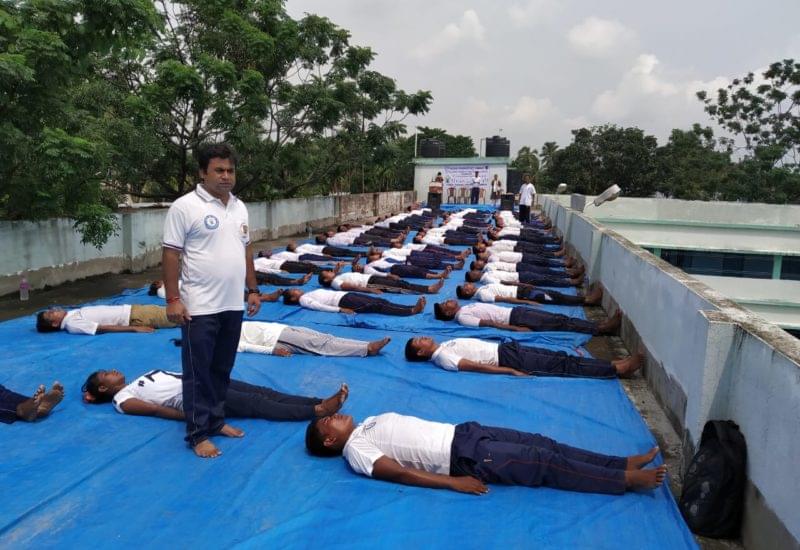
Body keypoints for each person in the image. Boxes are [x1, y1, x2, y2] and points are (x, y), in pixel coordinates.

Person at [161, 142, 261, 459]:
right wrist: (174, 299)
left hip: (232, 304)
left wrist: (253, 289)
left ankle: (216, 422)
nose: (226, 176)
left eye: (230, 170)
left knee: (221, 369)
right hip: (199, 307)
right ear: (203, 172)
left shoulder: (240, 207)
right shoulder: (184, 207)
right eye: (218, 170)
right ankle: (198, 433)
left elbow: (245, 249)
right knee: (198, 373)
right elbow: (170, 253)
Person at [305, 412, 667, 495]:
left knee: (545, 444)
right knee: (542, 463)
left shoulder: (365, 422)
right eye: (328, 424)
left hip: (465, 433)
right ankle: (625, 480)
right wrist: (453, 483)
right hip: (462, 458)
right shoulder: (355, 449)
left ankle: (618, 462)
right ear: (329, 442)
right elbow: (397, 472)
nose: (333, 418)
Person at [82, 369, 349, 424]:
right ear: (104, 389)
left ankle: (316, 401)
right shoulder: (122, 400)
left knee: (264, 392)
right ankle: (316, 412)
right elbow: (155, 410)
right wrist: (196, 417)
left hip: (205, 380)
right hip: (199, 396)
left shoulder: (138, 377)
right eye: (106, 374)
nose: (113, 371)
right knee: (257, 404)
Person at [405, 337, 641, 378]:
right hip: (508, 360)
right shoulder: (442, 357)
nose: (423, 337)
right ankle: (616, 370)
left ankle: (612, 365)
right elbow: (474, 367)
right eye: (419, 342)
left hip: (507, 350)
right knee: (562, 366)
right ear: (421, 353)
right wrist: (509, 370)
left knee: (560, 357)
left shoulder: (443, 345)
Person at [433, 299, 621, 335]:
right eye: (444, 305)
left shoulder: (465, 307)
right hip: (515, 320)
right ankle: (600, 328)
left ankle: (596, 326)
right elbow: (489, 323)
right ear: (448, 313)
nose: (447, 301)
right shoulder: (463, 316)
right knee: (559, 323)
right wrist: (516, 329)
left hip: (515, 312)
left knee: (557, 318)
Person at [237, 321, 390, 357]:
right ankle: (366, 349)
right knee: (319, 345)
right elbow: (244, 347)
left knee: (325, 337)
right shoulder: (222, 338)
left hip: (280, 328)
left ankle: (367, 345)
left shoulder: (230, 322)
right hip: (274, 338)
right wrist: (272, 351)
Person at [36, 305, 177, 335]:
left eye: (50, 310)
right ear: (55, 324)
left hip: (132, 310)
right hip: (134, 317)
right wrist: (134, 328)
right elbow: (100, 328)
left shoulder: (70, 315)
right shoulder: (72, 324)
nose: (53, 311)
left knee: (175, 311)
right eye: (50, 314)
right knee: (178, 316)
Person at [283, 288, 426, 316]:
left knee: (380, 300)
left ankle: (411, 307)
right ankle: (411, 311)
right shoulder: (303, 299)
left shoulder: (307, 293)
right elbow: (319, 306)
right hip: (343, 301)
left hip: (346, 295)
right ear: (293, 298)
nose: (297, 290)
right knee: (377, 306)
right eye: (293, 291)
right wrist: (340, 310)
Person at [456, 282, 603, 307]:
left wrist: (522, 285)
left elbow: (503, 287)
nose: (467, 284)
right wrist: (527, 302)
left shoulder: (482, 288)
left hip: (523, 290)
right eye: (466, 287)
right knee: (557, 298)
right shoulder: (483, 295)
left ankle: (586, 299)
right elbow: (506, 298)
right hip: (524, 296)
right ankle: (587, 300)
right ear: (468, 292)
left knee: (554, 294)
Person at [318, 270, 444, 295]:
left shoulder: (336, 277)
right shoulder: (335, 282)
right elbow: (348, 286)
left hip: (370, 279)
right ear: (326, 279)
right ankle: (428, 289)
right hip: (369, 284)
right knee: (399, 287)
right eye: (327, 272)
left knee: (401, 283)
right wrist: (369, 290)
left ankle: (427, 288)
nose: (330, 271)